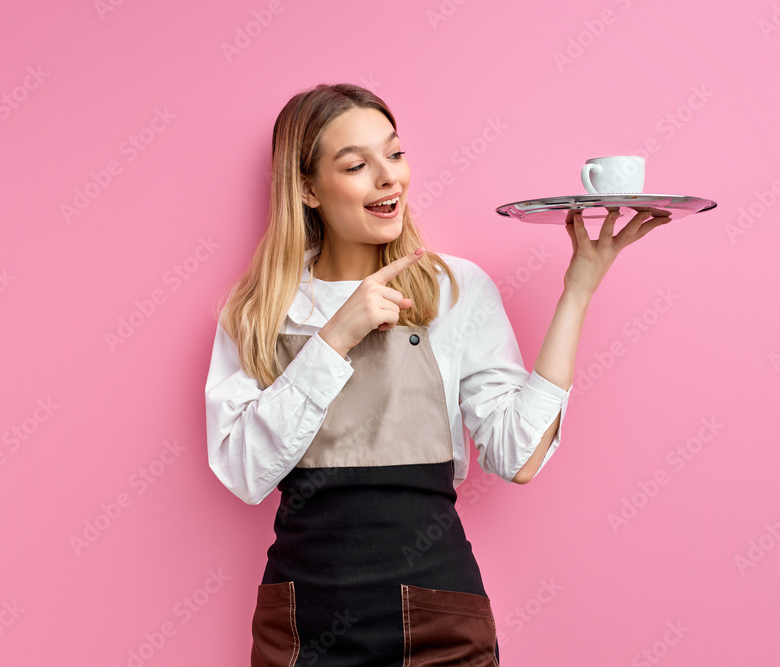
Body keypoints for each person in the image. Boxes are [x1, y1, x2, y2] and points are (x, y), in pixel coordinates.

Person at [204, 83, 671, 666]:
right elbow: (242, 473)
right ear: (306, 188)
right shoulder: (258, 311)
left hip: (437, 621)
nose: (388, 178)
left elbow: (518, 456)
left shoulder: (455, 289)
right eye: (356, 165)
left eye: (395, 155)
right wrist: (334, 340)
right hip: (303, 624)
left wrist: (578, 288)